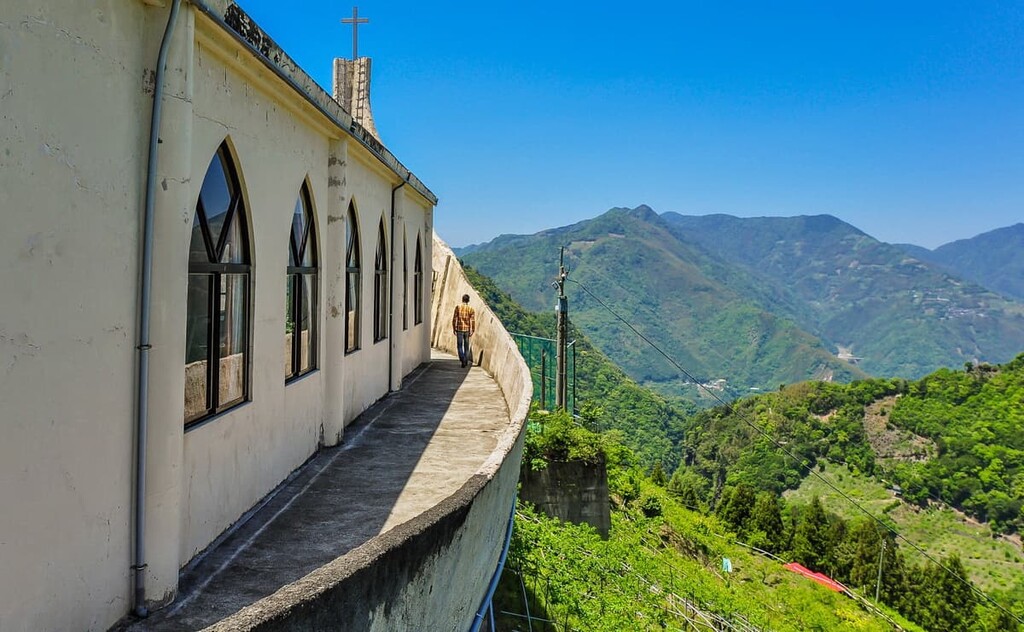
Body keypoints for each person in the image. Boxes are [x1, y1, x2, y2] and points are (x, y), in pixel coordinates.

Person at [452, 294, 476, 368]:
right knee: (466, 346)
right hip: (467, 330)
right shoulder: (471, 309)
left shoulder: (458, 307)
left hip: (459, 329)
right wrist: (472, 329)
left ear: (462, 299)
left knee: (459, 346)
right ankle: (465, 360)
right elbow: (472, 321)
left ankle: (462, 359)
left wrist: (454, 328)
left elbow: (454, 319)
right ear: (468, 300)